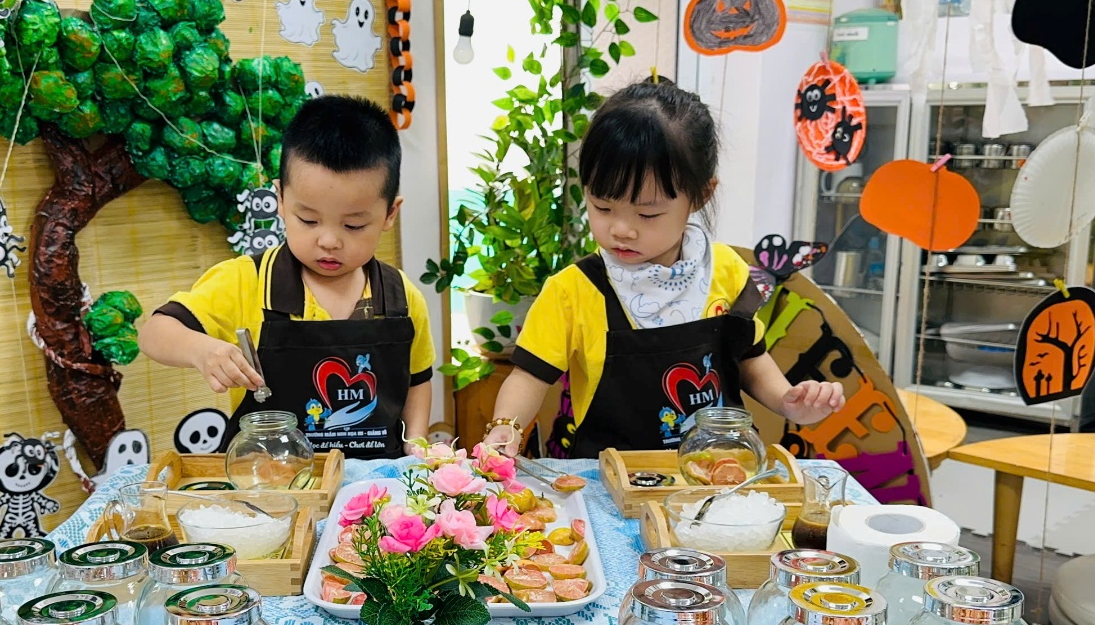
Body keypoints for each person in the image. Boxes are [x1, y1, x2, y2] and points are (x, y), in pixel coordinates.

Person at [481, 79, 844, 457]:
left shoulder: (728, 271)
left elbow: (750, 358)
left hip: (716, 470)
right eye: (602, 207)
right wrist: (506, 427)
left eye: (647, 213)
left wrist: (789, 401)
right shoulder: (572, 291)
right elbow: (529, 376)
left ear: (701, 195)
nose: (621, 229)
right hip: (611, 474)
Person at [139, 94, 434, 458]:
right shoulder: (245, 281)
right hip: (270, 481)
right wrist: (202, 350)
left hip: (375, 483)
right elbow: (155, 333)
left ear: (390, 213)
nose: (329, 241)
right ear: (280, 198)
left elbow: (417, 379)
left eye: (354, 225)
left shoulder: (401, 296)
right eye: (308, 220)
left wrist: (416, 444)